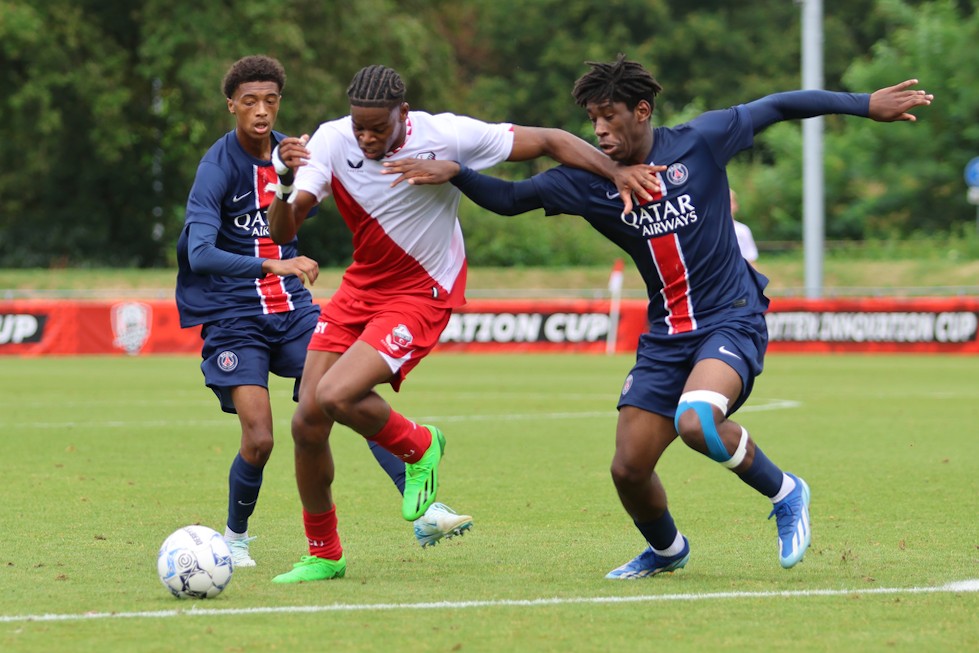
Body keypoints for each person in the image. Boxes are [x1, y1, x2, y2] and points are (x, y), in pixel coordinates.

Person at [383, 54, 932, 578]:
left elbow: (781, 105)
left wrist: (864, 104)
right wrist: (455, 171)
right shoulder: (585, 181)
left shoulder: (701, 141)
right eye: (593, 119)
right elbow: (509, 200)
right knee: (628, 468)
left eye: (609, 116)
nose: (598, 129)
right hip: (667, 336)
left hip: (731, 319)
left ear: (641, 112)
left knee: (697, 421)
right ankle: (667, 550)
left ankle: (787, 493)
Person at [265, 64, 660, 583]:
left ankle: (419, 447)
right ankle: (325, 553)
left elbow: (551, 140)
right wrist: (285, 180)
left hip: (421, 292)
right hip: (361, 289)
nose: (367, 138)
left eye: (378, 128)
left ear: (403, 115)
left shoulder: (447, 133)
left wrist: (616, 172)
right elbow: (284, 229)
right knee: (306, 422)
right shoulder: (333, 142)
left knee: (335, 396)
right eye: (359, 127)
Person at [174, 56, 474, 572]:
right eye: (249, 101)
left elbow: (303, 212)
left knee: (342, 397)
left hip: (292, 310)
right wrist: (272, 261)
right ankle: (236, 539)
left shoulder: (297, 152)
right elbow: (199, 253)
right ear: (232, 106)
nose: (262, 111)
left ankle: (422, 507)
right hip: (233, 316)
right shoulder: (216, 167)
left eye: (270, 100)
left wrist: (295, 181)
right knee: (261, 436)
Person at [729, 189, 759, 267]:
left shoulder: (743, 230)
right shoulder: (708, 230)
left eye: (730, 201)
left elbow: (751, 260)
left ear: (736, 205)